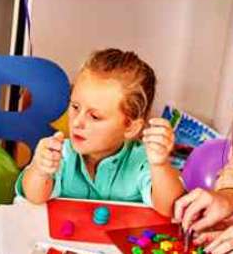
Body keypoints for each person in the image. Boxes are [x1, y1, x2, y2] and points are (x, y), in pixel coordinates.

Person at [17, 48, 183, 217]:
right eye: (75, 107)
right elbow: (34, 197)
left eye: (95, 116)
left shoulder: (142, 160)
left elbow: (169, 207)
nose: (77, 122)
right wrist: (40, 169)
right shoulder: (62, 154)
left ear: (130, 127)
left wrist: (160, 165)